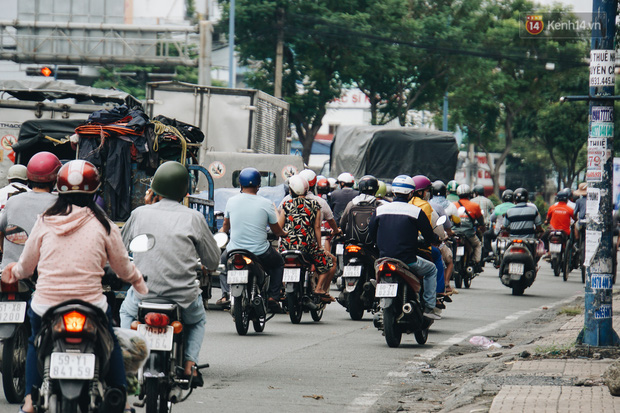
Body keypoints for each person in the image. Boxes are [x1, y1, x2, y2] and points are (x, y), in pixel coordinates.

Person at [2, 160, 148, 413]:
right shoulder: (104, 225)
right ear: (95, 191)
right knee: (111, 342)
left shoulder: (45, 221)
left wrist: (13, 272)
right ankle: (122, 400)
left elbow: (26, 266)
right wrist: (137, 280)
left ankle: (29, 402)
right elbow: (123, 267)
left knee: (35, 341)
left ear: (59, 189)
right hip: (91, 305)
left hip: (47, 305)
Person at [119, 161, 219, 386]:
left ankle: (126, 362)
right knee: (197, 321)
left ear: (154, 188)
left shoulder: (139, 214)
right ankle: (190, 365)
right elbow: (212, 260)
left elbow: (120, 249)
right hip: (183, 297)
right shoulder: (194, 217)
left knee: (126, 312)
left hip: (144, 294)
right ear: (185, 190)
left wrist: (146, 207)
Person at [369, 175, 441, 320]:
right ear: (411, 193)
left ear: (394, 192)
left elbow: (371, 233)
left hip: (383, 258)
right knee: (432, 269)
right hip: (408, 260)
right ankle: (429, 307)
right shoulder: (416, 211)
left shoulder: (380, 210)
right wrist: (435, 240)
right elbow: (428, 235)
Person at [218, 167, 287, 312]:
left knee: (223, 263)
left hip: (234, 250)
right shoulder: (266, 203)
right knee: (278, 263)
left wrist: (220, 232)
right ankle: (273, 297)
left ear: (240, 184)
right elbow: (276, 230)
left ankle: (225, 295)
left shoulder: (231, 201)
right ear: (258, 185)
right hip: (260, 252)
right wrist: (284, 234)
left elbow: (225, 226)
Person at [278, 175, 337, 301]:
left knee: (277, 265)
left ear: (291, 191)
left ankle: (281, 288)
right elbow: (317, 227)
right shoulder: (315, 205)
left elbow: (279, 227)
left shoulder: (286, 204)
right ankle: (319, 288)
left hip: (286, 246)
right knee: (327, 263)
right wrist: (319, 247)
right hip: (307, 246)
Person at [0, 152, 61, 267]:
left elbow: (2, 230)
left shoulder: (13, 201)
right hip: (42, 271)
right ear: (55, 180)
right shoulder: (59, 204)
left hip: (9, 270)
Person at [340, 175, 384, 250]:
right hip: (371, 244)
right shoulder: (379, 205)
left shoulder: (352, 204)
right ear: (376, 189)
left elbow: (342, 222)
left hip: (352, 242)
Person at [453, 184, 484, 271]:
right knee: (478, 245)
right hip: (469, 233)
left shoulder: (453, 205)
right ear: (469, 194)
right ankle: (476, 263)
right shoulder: (475, 206)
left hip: (454, 232)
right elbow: (481, 221)